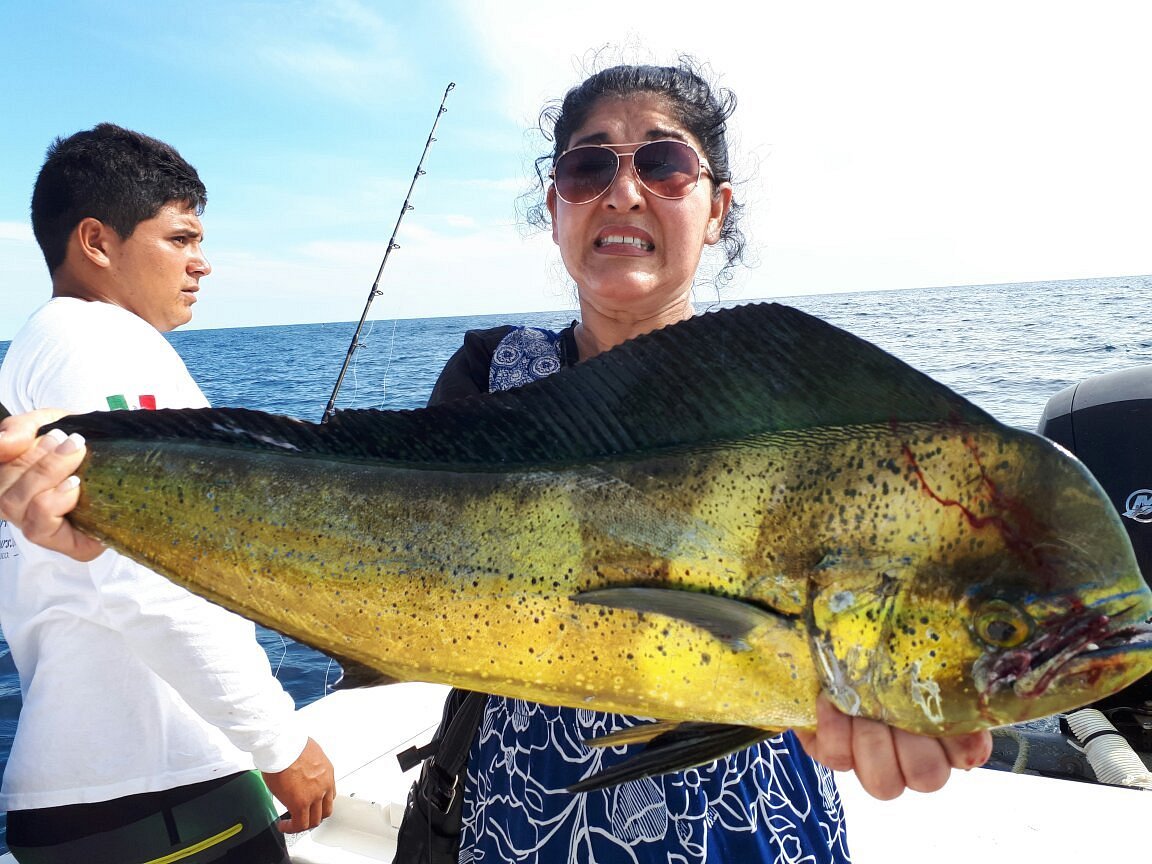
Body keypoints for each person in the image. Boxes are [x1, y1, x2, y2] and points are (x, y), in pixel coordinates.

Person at [421, 62, 993, 862]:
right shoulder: (489, 377)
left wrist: (893, 686)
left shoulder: (798, 405)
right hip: (528, 817)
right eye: (590, 167)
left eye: (663, 163)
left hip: (751, 820)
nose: (624, 193)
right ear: (555, 209)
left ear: (716, 208)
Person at [0, 124, 335, 863]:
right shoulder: (98, 342)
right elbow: (152, 577)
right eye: (181, 238)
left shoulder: (39, 347)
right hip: (164, 799)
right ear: (97, 241)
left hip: (101, 803)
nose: (202, 263)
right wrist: (280, 743)